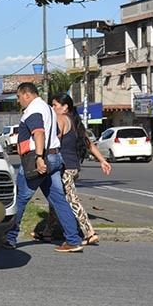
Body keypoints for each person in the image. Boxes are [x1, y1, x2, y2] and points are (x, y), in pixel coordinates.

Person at [4, 82, 84, 253]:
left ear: (27, 94)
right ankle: (73, 239)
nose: (19, 101)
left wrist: (39, 158)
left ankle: (9, 238)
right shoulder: (48, 109)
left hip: (38, 159)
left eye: (19, 97)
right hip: (55, 158)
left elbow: (39, 133)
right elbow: (54, 133)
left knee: (20, 198)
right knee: (59, 199)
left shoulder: (33, 110)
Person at [33, 94, 112, 246]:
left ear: (65, 107)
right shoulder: (76, 123)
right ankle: (48, 232)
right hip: (74, 167)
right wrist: (102, 160)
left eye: (55, 105)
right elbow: (89, 144)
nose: (53, 108)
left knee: (71, 199)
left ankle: (89, 232)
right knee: (56, 198)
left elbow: (54, 141)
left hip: (65, 167)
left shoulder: (61, 120)